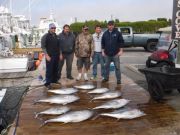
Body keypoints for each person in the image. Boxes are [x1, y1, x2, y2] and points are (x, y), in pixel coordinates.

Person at [41, 23, 61, 89]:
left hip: (57, 55)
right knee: (49, 70)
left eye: (54, 28)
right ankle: (48, 83)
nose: (53, 29)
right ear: (49, 29)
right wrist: (46, 55)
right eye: (52, 28)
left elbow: (59, 46)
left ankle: (54, 81)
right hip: (49, 56)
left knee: (56, 69)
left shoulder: (57, 36)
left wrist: (60, 54)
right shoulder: (45, 36)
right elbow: (43, 47)